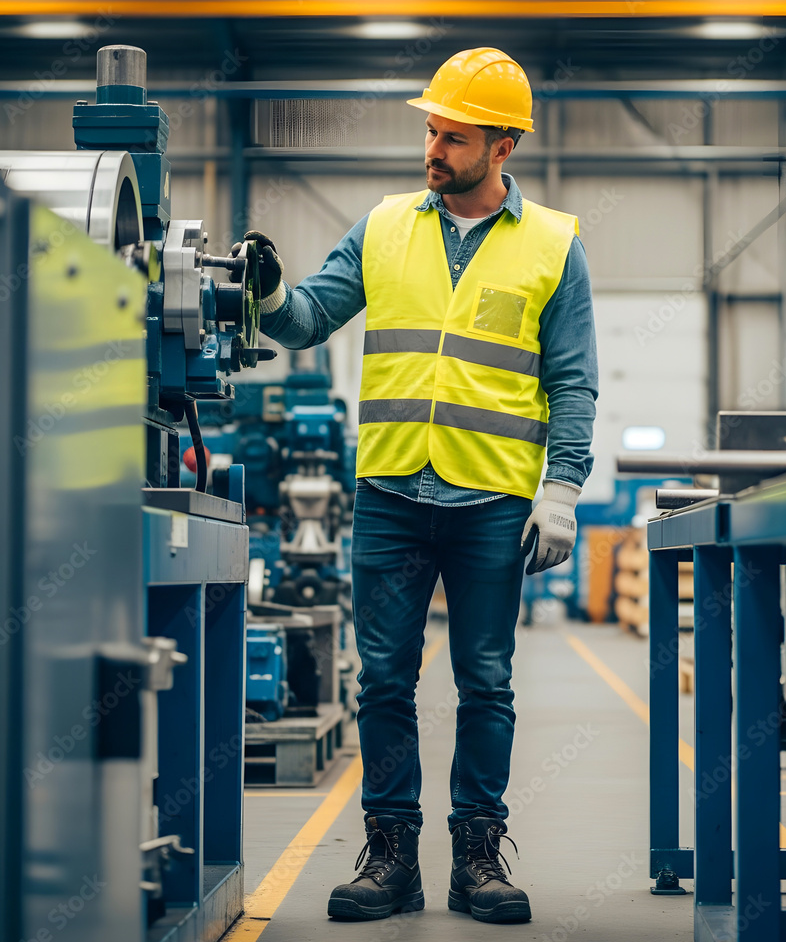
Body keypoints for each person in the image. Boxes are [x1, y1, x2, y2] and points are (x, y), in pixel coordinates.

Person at [234, 47, 598, 924]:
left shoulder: (554, 246)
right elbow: (309, 318)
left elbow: (573, 380)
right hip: (393, 495)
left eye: (454, 136)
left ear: (502, 147)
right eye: (431, 129)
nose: (433, 148)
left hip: (492, 502)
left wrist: (564, 489)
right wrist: (272, 288)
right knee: (385, 684)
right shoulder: (386, 225)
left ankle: (478, 855)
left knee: (486, 682)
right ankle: (391, 856)